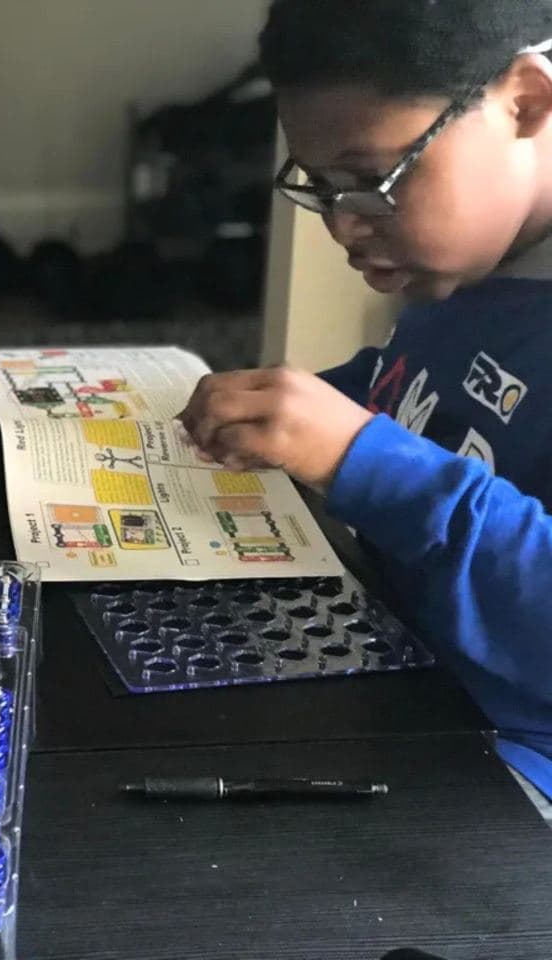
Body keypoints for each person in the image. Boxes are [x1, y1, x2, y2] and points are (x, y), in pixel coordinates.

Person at [178, 0, 552, 815]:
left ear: (524, 101)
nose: (345, 226)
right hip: (385, 649)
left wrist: (359, 457)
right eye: (322, 188)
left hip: (507, 767)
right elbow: (421, 397)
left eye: (373, 181)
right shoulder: (466, 259)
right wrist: (300, 409)